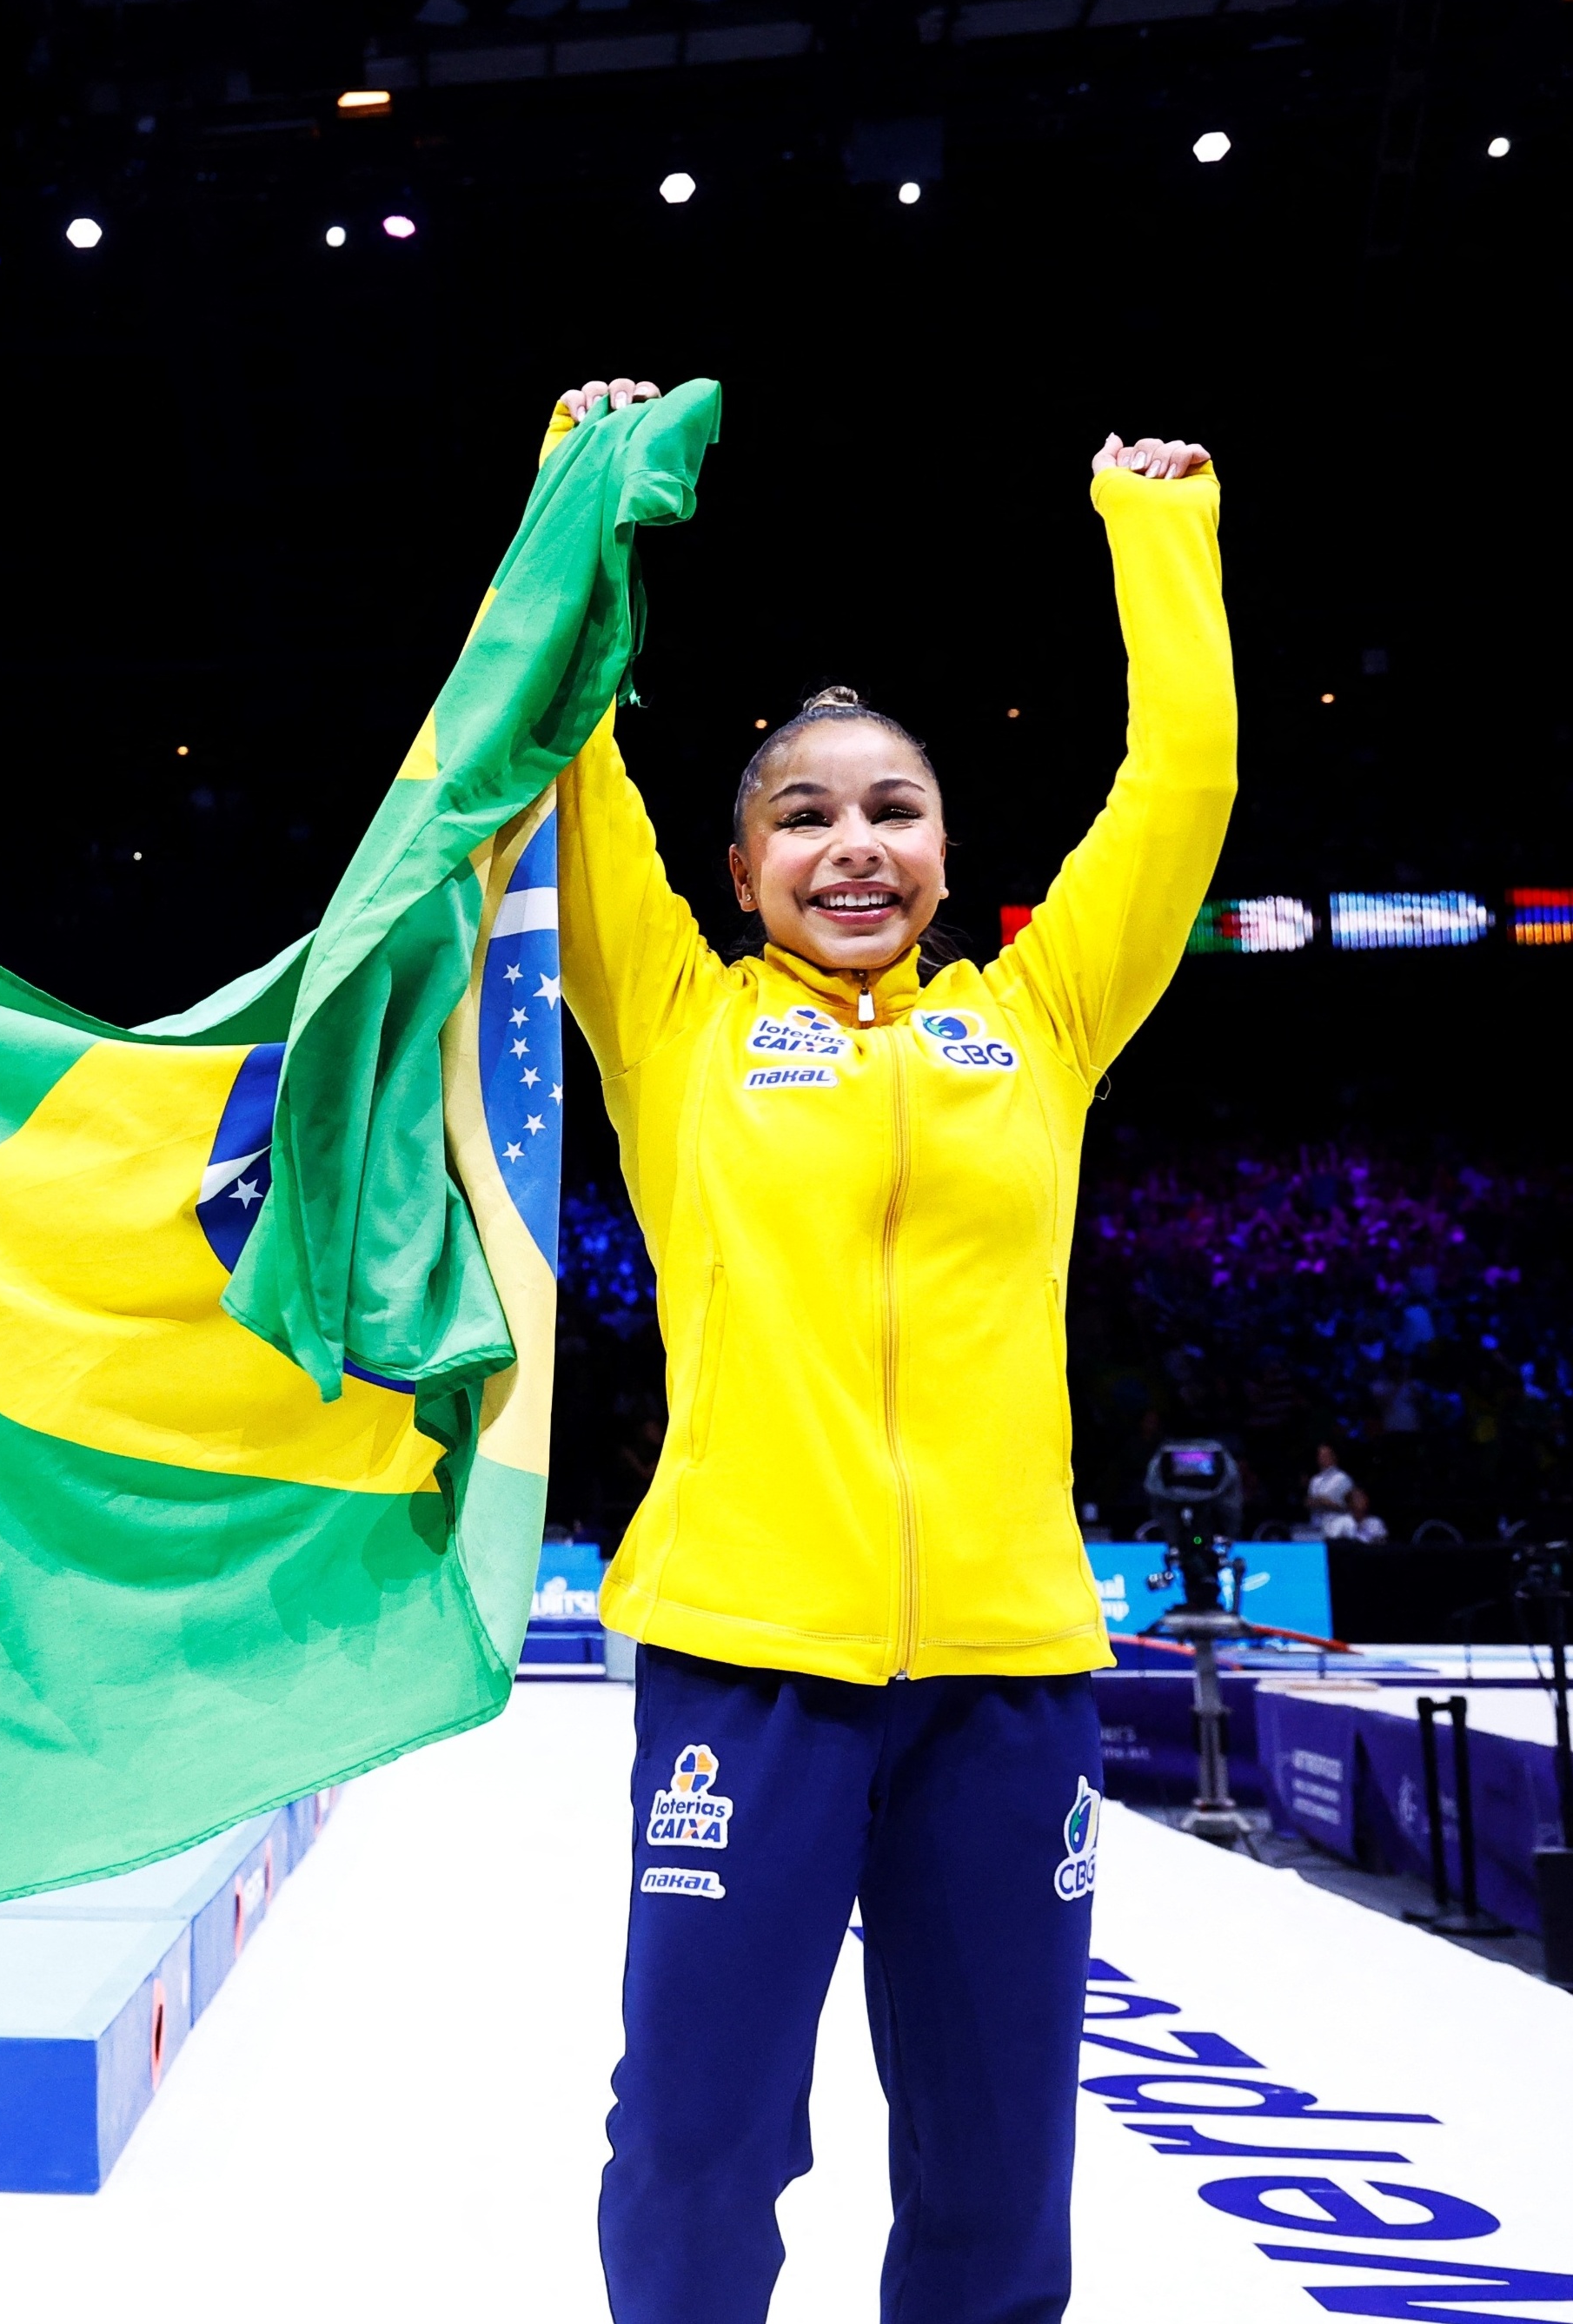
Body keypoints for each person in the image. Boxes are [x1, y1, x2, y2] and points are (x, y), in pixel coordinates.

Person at [548, 375, 1231, 2321]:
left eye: (892, 812)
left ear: (945, 847)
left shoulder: (1037, 1019)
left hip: (1008, 1678)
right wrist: (579, 498)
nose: (851, 847)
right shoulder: (669, 1020)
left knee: (999, 2162)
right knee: (694, 2142)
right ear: (741, 860)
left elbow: (1176, 795)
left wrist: (1156, 542)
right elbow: (565, 758)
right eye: (802, 818)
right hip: (745, 1668)